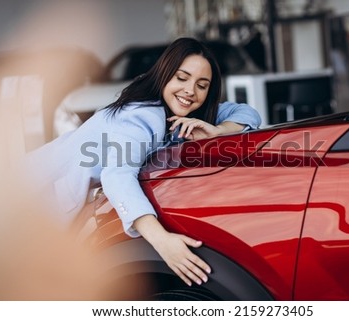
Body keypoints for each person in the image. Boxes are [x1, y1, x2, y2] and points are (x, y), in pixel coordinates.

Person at [24, 37, 261, 287]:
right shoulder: (142, 116)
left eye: (202, 85)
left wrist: (218, 130)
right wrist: (162, 241)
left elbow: (248, 114)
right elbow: (118, 176)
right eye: (182, 78)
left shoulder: (186, 112)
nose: (191, 90)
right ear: (164, 75)